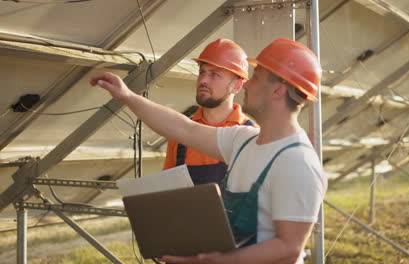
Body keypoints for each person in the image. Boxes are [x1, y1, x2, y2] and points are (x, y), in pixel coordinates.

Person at [91, 38, 327, 264]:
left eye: (256, 77)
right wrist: (127, 96)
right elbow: (184, 129)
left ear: (277, 91)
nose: (247, 83)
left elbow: (288, 249)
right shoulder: (242, 141)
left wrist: (213, 260)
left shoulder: (298, 162)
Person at [163, 38, 255, 185]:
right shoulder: (180, 136)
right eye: (202, 72)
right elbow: (167, 191)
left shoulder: (252, 136)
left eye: (214, 74)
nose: (203, 80)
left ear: (237, 86)